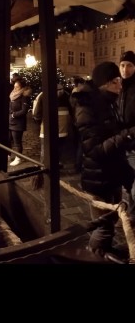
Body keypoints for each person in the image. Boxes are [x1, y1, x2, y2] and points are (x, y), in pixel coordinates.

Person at [70, 61, 135, 261]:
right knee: (103, 225)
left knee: (112, 218)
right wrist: (128, 136)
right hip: (98, 178)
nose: (120, 85)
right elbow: (95, 150)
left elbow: (112, 132)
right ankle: (94, 255)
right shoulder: (87, 108)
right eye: (116, 81)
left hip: (111, 172)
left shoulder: (106, 103)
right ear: (105, 83)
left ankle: (102, 251)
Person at [31, 83, 72, 166]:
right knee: (58, 150)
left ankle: (44, 168)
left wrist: (39, 122)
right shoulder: (67, 96)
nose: (60, 92)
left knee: (46, 150)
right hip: (62, 129)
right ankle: (56, 167)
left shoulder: (43, 95)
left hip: (47, 128)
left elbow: (36, 113)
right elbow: (71, 111)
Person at [117, 50, 135, 222]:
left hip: (133, 143)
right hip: (121, 143)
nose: (125, 69)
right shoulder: (119, 87)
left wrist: (128, 134)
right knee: (127, 183)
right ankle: (131, 214)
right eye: (122, 65)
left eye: (129, 65)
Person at [8, 77, 31, 166]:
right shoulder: (12, 95)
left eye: (17, 87)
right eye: (14, 86)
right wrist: (10, 113)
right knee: (8, 139)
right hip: (11, 121)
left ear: (21, 87)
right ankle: (9, 155)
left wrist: (14, 115)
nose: (15, 88)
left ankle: (18, 158)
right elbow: (10, 106)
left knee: (17, 141)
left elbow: (24, 111)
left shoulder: (24, 96)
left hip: (18, 123)